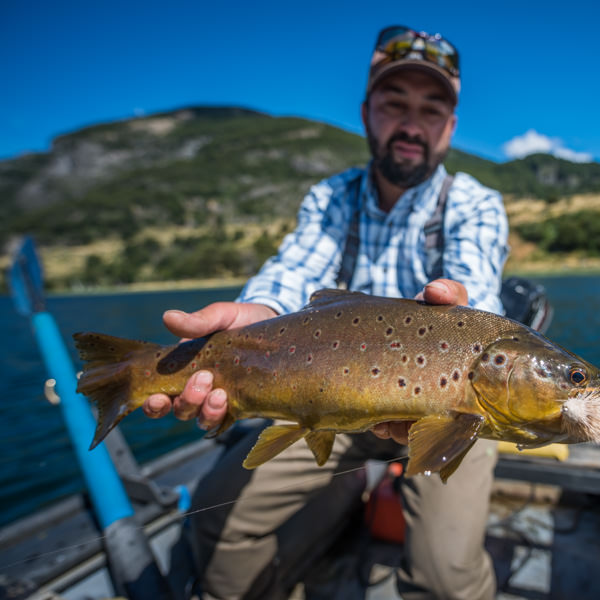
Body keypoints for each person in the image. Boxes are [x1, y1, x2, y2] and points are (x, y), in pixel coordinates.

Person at [144, 25, 509, 600]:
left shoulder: (475, 204)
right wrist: (254, 316)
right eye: (395, 104)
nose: (412, 124)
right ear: (367, 113)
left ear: (451, 126)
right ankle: (337, 499)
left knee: (446, 578)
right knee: (218, 527)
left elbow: (478, 296)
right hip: (327, 399)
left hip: (453, 404)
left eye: (431, 108)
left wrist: (460, 309)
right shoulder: (330, 197)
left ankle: (344, 498)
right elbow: (292, 274)